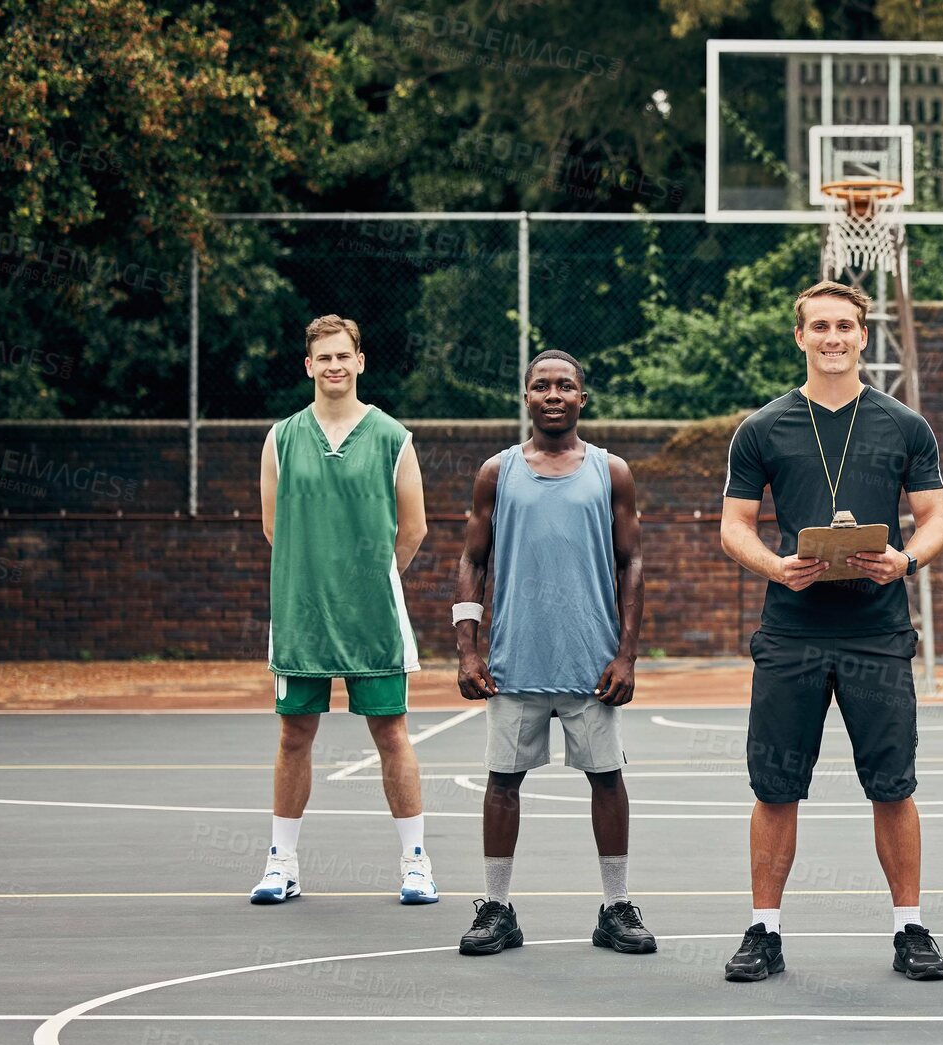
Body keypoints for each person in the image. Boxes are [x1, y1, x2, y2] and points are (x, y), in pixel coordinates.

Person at [719, 280, 943, 981]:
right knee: (775, 786)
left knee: (892, 785)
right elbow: (734, 526)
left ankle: (909, 927)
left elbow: (937, 518)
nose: (832, 337)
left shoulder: (904, 425)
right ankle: (764, 930)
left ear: (862, 334)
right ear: (799, 336)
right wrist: (774, 565)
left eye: (844, 326)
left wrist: (904, 558)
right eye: (818, 326)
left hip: (877, 629)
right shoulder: (762, 428)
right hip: (791, 628)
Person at [452, 349, 653, 956]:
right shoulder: (498, 472)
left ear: (582, 398)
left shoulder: (611, 471)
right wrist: (467, 650)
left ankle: (616, 908)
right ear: (527, 397)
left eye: (566, 386)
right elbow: (472, 560)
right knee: (502, 783)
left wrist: (627, 655)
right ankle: (497, 908)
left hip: (591, 663)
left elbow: (632, 562)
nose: (554, 395)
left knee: (607, 780)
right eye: (542, 386)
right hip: (514, 662)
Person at [253, 314, 434, 905]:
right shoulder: (280, 438)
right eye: (322, 357)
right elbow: (273, 526)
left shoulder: (392, 437)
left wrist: (365, 579)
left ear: (360, 362)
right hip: (301, 613)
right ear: (309, 366)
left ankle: (415, 861)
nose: (333, 365)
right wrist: (316, 577)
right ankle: (282, 862)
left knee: (391, 733)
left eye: (342, 356)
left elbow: (414, 528)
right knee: (293, 736)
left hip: (372, 614)